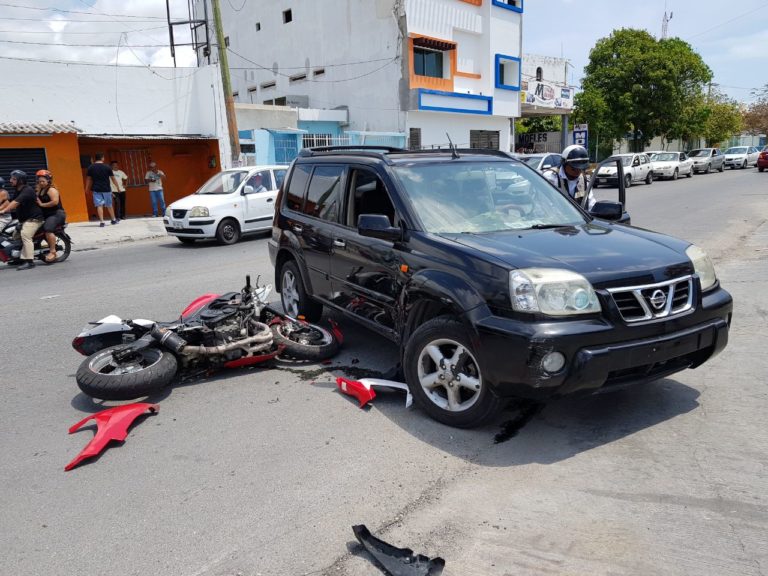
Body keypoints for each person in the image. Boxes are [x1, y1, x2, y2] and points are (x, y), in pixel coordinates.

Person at [0, 170, 44, 270]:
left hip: (34, 219)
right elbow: (10, 202)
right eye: (11, 178)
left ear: (20, 181)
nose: (10, 181)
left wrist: (4, 211)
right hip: (24, 220)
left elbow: (15, 203)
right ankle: (19, 257)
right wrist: (4, 208)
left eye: (13, 179)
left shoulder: (27, 190)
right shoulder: (18, 190)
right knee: (14, 237)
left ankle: (29, 261)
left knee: (25, 236)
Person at [543, 144, 595, 209]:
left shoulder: (584, 181)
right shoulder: (550, 177)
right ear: (564, 164)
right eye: (574, 168)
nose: (578, 171)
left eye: (581, 168)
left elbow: (591, 205)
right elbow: (543, 205)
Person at [35, 169, 66, 263]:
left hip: (56, 214)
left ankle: (53, 251)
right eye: (39, 181)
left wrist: (42, 205)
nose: (41, 183)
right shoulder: (39, 189)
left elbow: (55, 202)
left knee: (48, 229)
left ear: (48, 180)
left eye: (43, 181)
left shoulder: (51, 190)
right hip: (46, 214)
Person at [85, 153, 119, 227]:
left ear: (95, 158)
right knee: (109, 205)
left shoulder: (91, 167)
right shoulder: (107, 167)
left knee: (99, 205)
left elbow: (88, 179)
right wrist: (117, 187)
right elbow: (113, 178)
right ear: (102, 158)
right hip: (106, 189)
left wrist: (86, 188)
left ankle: (102, 222)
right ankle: (113, 220)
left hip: (96, 189)